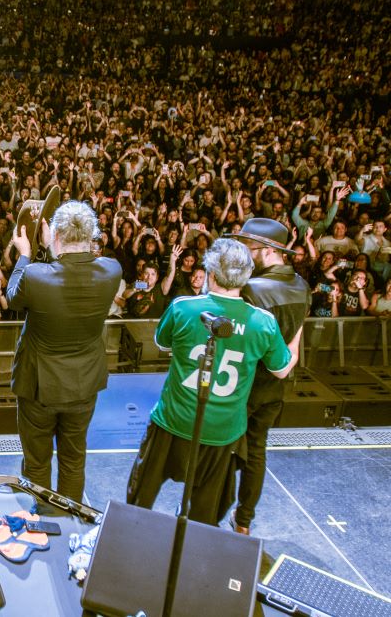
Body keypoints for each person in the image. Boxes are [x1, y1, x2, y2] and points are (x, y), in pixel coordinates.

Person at [126, 239, 299, 525]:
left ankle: (128, 535)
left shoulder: (184, 307)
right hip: (223, 431)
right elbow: (281, 370)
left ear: (212, 274)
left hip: (173, 420)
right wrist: (295, 343)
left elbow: (162, 342)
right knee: (204, 514)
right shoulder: (263, 322)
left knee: (140, 497)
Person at [6, 201, 122, 502]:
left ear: (56, 234)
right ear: (92, 236)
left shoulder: (34, 275)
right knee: (73, 461)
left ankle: (42, 519)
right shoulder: (111, 270)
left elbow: (13, 297)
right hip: (83, 385)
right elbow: (69, 271)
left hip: (39, 387)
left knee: (37, 462)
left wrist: (25, 254)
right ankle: (71, 518)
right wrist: (51, 247)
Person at [224, 218, 310, 535]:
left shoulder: (251, 289)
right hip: (274, 387)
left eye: (248, 248)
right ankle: (243, 522)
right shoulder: (302, 286)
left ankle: (207, 514)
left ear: (268, 250)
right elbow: (296, 336)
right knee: (256, 453)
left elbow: (236, 342)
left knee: (221, 452)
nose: (244, 255)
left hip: (242, 387)